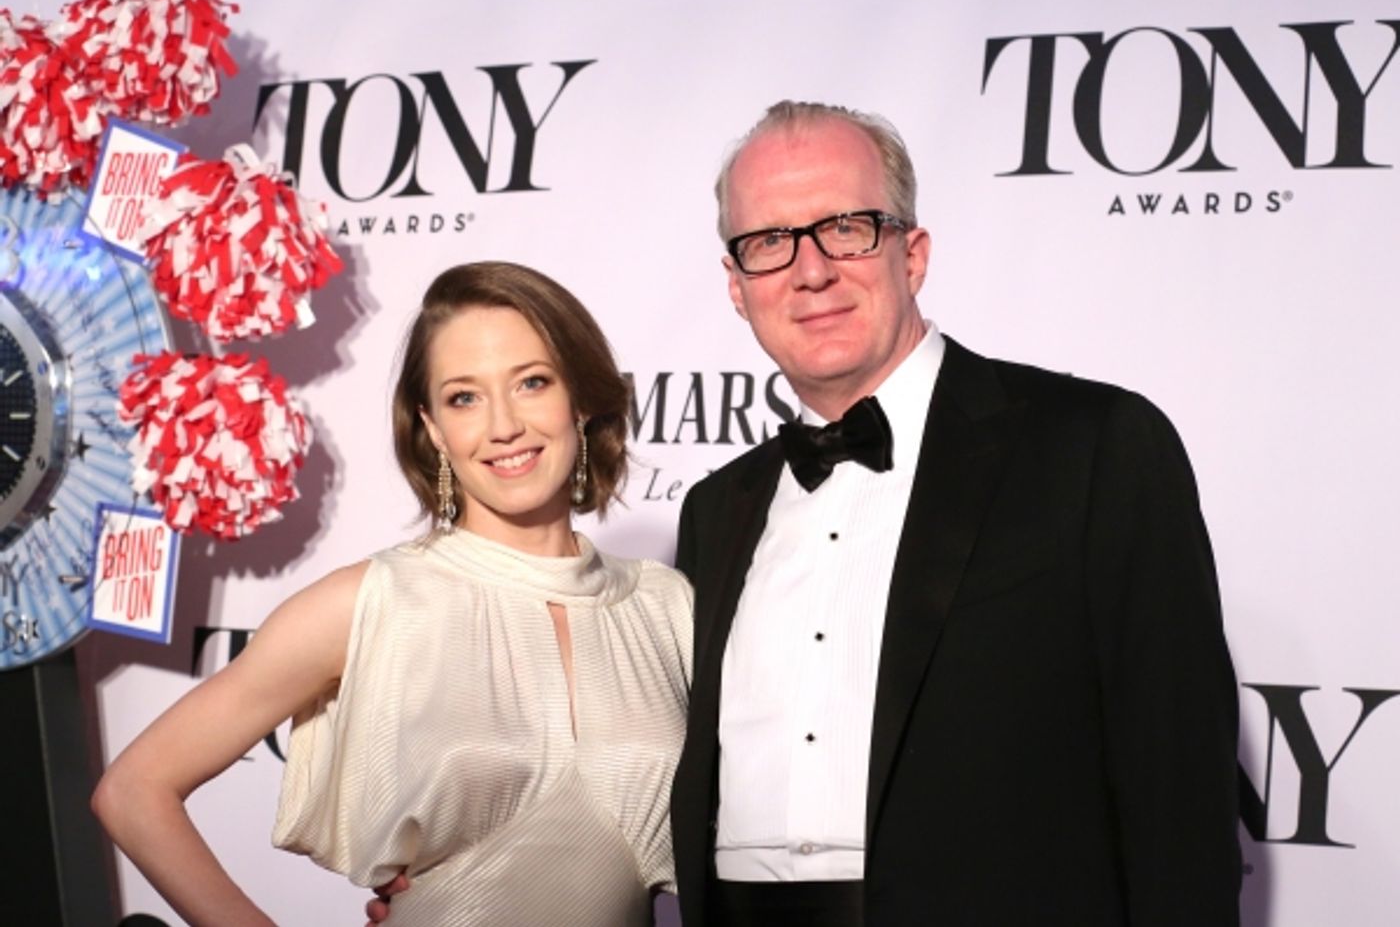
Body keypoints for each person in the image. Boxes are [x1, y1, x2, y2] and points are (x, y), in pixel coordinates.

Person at [667, 101, 1242, 926]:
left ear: (915, 253)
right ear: (736, 286)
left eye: (848, 227)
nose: (812, 269)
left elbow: (1177, 789)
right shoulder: (714, 510)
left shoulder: (1096, 450)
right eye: (770, 242)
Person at [92, 261, 693, 926]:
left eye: (531, 382)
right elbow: (133, 790)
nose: (503, 425)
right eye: (464, 397)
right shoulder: (373, 600)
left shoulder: (666, 606)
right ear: (432, 426)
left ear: (578, 400)